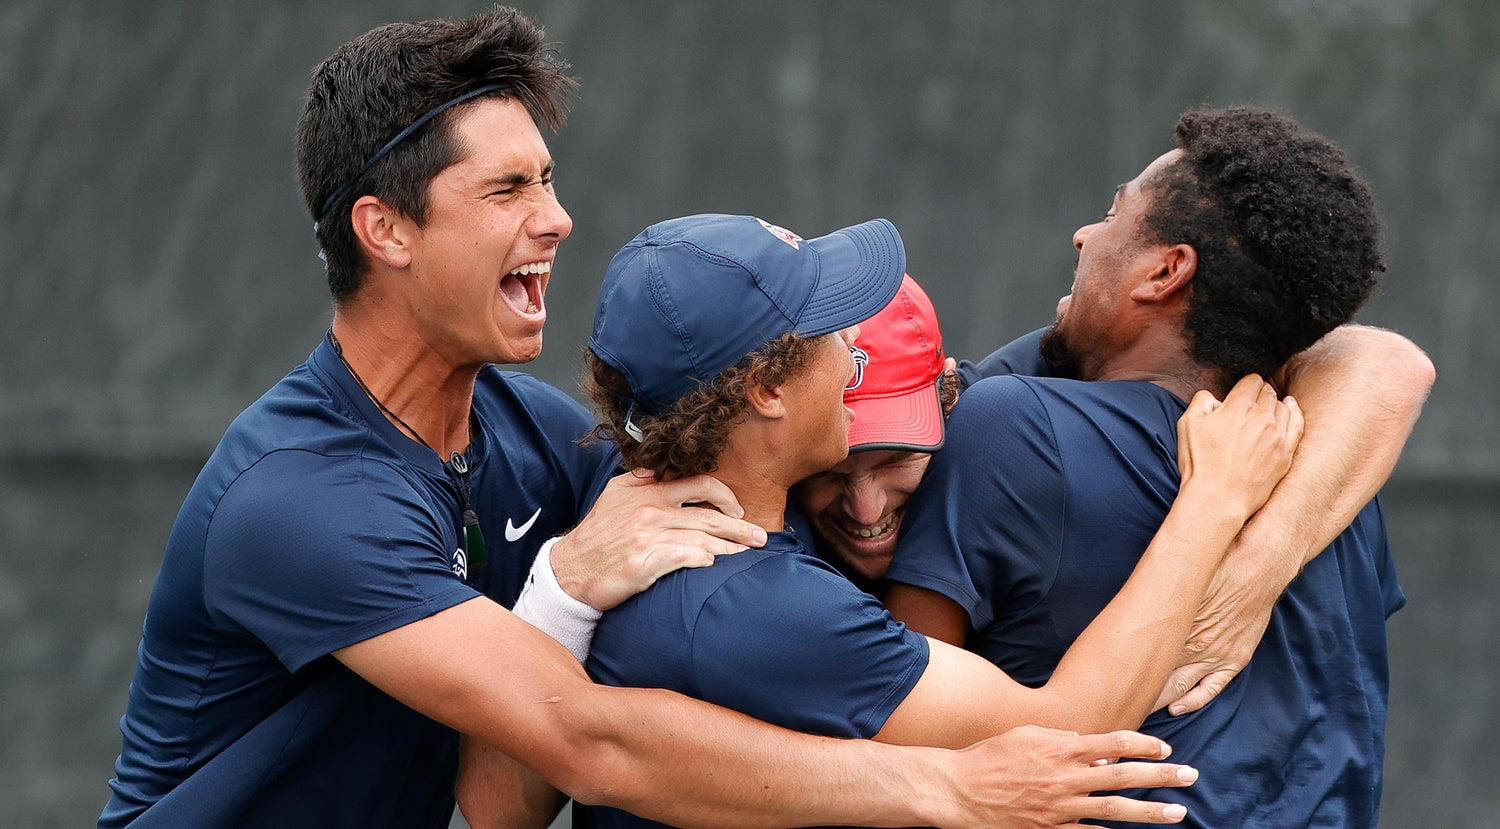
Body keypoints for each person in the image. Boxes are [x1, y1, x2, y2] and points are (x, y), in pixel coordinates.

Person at [100, 9, 1204, 829]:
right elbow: (585, 740)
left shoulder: (534, 436)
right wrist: (944, 786)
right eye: (508, 191)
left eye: (550, 178)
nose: (559, 217)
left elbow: (507, 794)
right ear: (385, 230)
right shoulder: (296, 497)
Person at [560, 211, 1302, 829]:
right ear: (765, 392)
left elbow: (1373, 360)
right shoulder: (760, 605)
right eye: (826, 333)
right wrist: (1214, 506)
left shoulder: (666, 504)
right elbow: (1067, 728)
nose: (853, 346)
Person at [885, 106, 1427, 827]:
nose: (1084, 234)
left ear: (1165, 272)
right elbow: (1383, 359)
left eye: (1114, 214)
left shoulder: (1017, 428)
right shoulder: (1335, 472)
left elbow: (886, 703)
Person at [791, 277, 1431, 711]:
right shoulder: (732, 539)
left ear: (948, 393)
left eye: (899, 457)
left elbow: (1385, 363)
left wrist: (1259, 564)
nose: (867, 507)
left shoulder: (997, 408)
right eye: (829, 470)